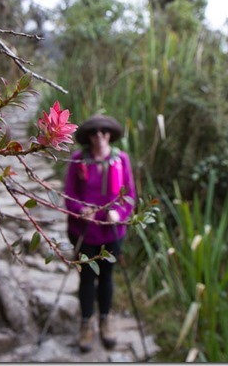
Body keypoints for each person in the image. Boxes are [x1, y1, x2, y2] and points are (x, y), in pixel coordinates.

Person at [64, 114, 136, 353]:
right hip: (84, 231)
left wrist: (120, 213)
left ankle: (105, 319)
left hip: (112, 231)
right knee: (86, 276)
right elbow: (69, 195)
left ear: (109, 135)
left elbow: (130, 195)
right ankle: (86, 322)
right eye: (94, 132)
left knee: (107, 275)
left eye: (104, 131)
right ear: (88, 137)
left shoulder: (121, 159)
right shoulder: (78, 159)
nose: (99, 136)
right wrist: (80, 210)